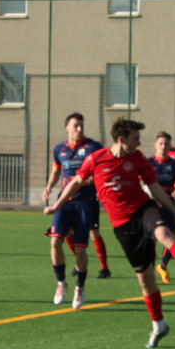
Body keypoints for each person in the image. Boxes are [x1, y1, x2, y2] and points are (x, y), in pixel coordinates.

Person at [44, 119, 175, 347]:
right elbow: (75, 181)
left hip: (144, 210)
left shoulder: (138, 159)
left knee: (164, 234)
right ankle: (159, 325)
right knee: (146, 282)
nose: (139, 142)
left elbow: (155, 189)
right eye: (135, 138)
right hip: (122, 226)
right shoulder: (96, 158)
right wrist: (57, 205)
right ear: (122, 140)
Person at [41, 113, 109, 309]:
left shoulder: (93, 147)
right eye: (76, 126)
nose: (80, 129)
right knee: (55, 242)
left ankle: (80, 286)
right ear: (67, 128)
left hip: (85, 204)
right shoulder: (59, 149)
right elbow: (56, 170)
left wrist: (95, 180)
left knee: (80, 249)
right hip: (64, 202)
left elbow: (104, 169)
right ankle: (61, 283)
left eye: (81, 125)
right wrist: (48, 187)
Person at [150, 132, 175, 284]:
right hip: (151, 205)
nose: (163, 146)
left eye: (166, 144)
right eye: (161, 143)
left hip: (168, 205)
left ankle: (163, 266)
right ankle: (150, 271)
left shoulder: (173, 164)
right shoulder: (148, 162)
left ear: (170, 146)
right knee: (152, 239)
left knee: (172, 238)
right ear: (155, 145)